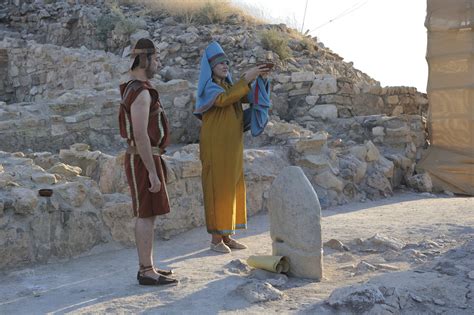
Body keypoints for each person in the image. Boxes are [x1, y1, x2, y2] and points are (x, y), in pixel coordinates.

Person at [194, 41, 271, 253]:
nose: (225, 65)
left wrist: (261, 79)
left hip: (233, 145)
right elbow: (224, 99)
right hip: (215, 146)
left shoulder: (229, 86)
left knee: (231, 186)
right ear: (210, 67)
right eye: (220, 63)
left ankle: (227, 236)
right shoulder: (211, 88)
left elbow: (247, 95)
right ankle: (215, 240)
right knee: (217, 187)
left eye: (226, 62)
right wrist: (246, 78)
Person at [118, 38, 177, 285]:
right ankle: (145, 271)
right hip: (143, 159)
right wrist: (152, 173)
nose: (159, 62)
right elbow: (141, 135)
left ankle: (149, 266)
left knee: (150, 214)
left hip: (146, 156)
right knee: (145, 215)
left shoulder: (135, 87)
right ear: (145, 60)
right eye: (156, 58)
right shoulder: (141, 92)